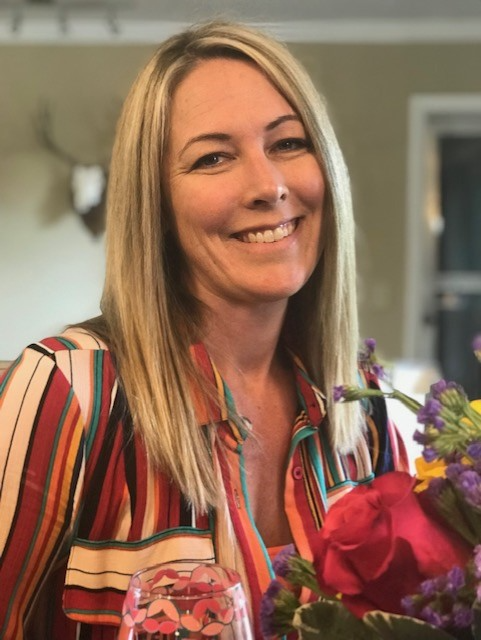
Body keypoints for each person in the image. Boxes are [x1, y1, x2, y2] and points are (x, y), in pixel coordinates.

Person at [0, 20, 408, 640]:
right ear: (156, 205)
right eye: (213, 157)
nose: (269, 186)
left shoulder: (365, 402)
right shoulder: (68, 390)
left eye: (289, 143)